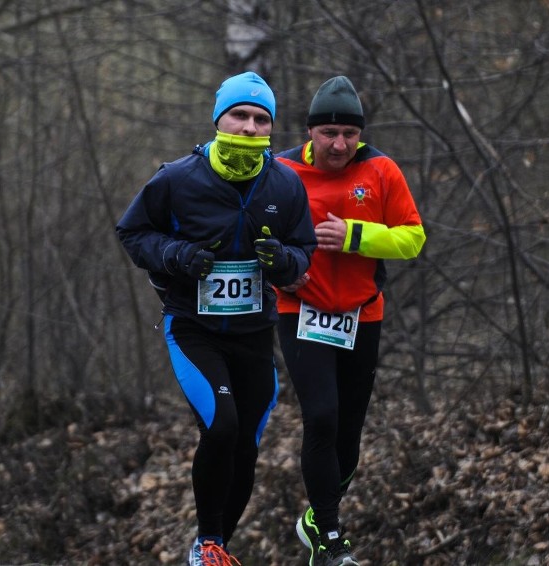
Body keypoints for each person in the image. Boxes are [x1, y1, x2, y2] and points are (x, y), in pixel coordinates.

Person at [116, 71, 316, 566]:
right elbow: (133, 233)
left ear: (270, 128)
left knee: (246, 444)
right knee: (222, 426)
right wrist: (178, 255)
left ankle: (217, 549)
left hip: (253, 333)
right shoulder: (178, 178)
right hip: (193, 329)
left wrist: (283, 262)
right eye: (240, 115)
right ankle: (204, 545)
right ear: (218, 118)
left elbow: (303, 251)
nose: (249, 127)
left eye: (260, 119)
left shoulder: (286, 184)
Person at [274, 76, 426, 565]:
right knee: (321, 416)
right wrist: (282, 271)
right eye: (329, 133)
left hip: (362, 314)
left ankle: (316, 517)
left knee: (349, 437)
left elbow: (412, 239)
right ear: (310, 133)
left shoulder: (381, 171)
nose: (340, 144)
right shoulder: (281, 171)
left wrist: (356, 236)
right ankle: (331, 541)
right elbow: (256, 236)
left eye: (349, 134)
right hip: (300, 310)